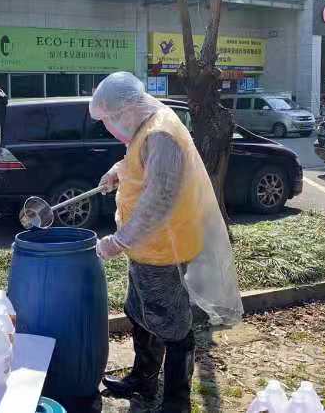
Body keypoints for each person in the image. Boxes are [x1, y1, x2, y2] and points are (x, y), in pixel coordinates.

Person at [89, 72, 242, 413]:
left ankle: (176, 399)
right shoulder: (147, 123)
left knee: (171, 324)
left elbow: (159, 200)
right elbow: (141, 164)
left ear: (127, 109)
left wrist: (119, 241)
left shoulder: (162, 134)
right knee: (140, 312)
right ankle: (142, 380)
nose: (109, 126)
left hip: (164, 248)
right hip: (146, 247)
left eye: (110, 119)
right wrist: (118, 170)